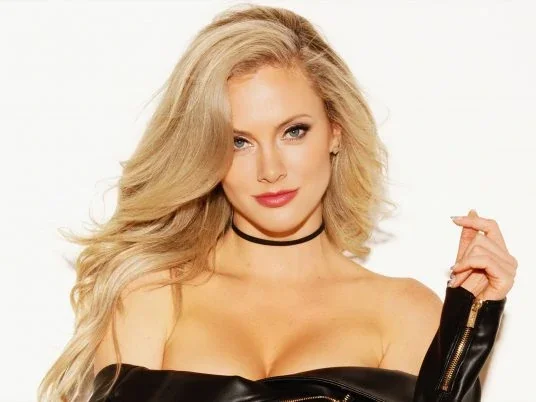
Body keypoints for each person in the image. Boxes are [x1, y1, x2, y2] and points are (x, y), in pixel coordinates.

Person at [38, 4, 517, 402]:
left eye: (293, 131)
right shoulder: (153, 296)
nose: (270, 169)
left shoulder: (404, 311)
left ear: (335, 131)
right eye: (238, 141)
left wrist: (470, 327)